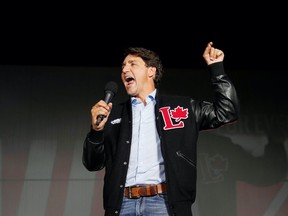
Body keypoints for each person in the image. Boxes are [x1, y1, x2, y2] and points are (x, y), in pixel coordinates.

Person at [82, 42, 240, 216]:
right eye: (123, 66)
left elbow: (227, 111)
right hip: (122, 204)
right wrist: (96, 131)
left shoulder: (181, 107)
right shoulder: (114, 114)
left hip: (163, 204)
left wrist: (216, 69)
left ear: (151, 71)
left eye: (132, 64)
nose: (125, 70)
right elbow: (93, 163)